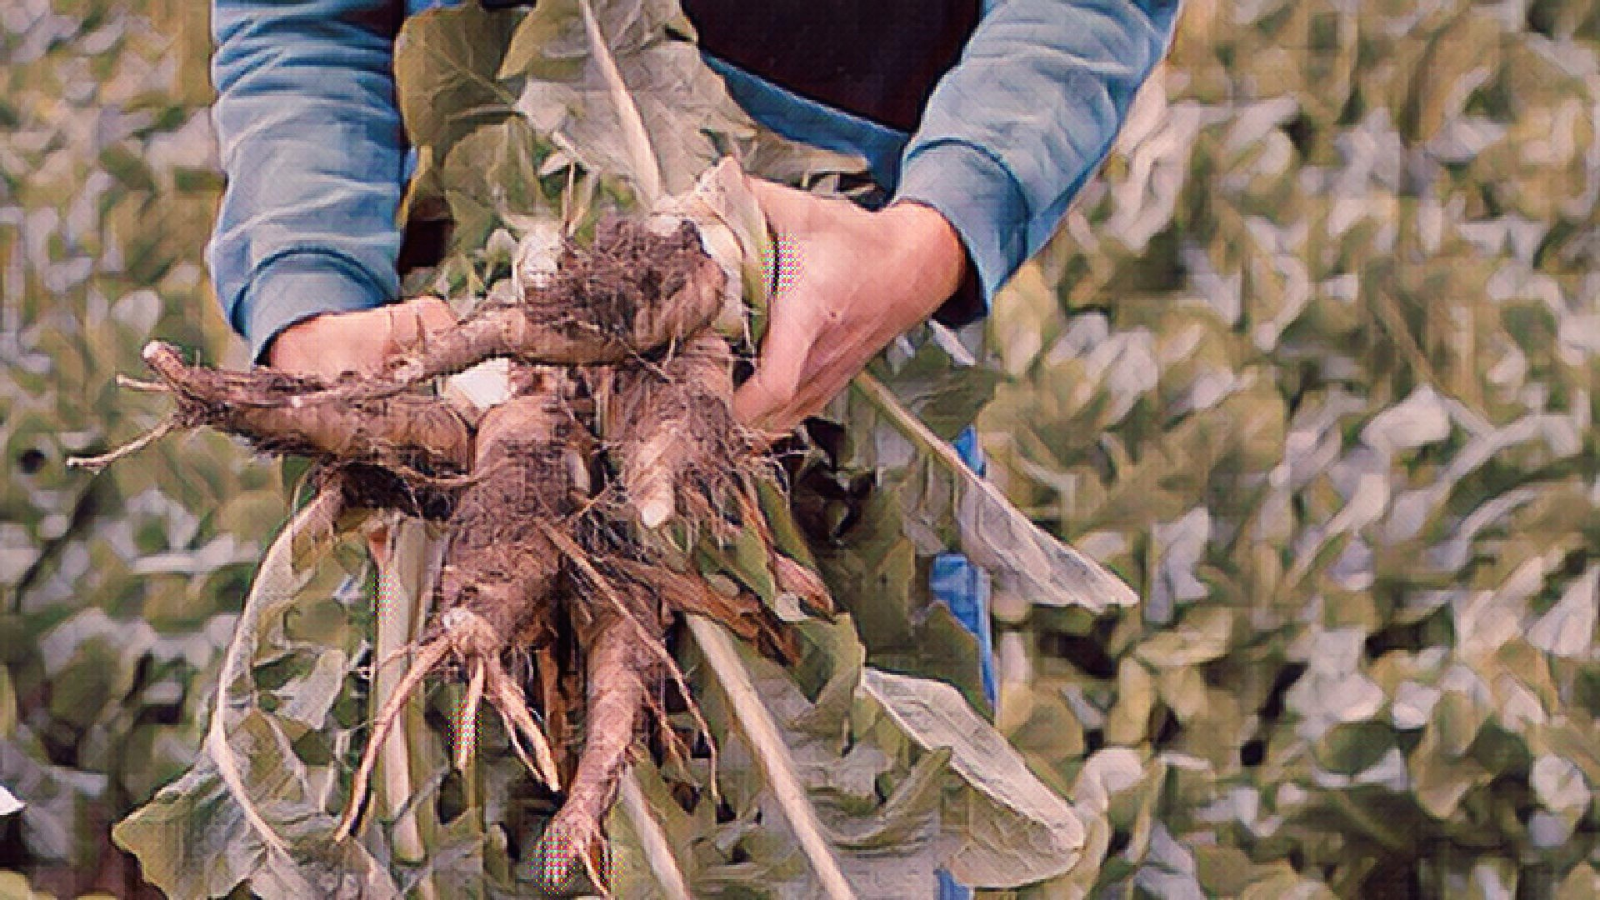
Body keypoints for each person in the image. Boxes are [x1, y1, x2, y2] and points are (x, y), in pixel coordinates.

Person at [207, 0, 1177, 893]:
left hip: (826, 362)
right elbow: (302, 19)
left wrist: (930, 236)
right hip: (450, 422)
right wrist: (309, 298)